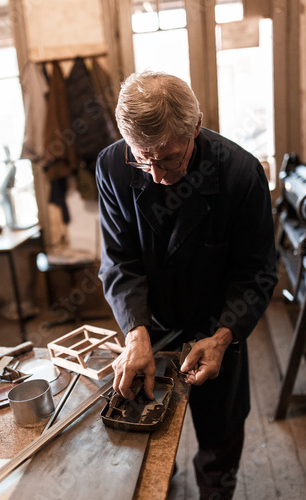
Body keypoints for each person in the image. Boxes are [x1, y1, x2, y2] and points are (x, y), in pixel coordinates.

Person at [96, 71, 277, 499]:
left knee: (219, 440)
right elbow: (120, 259)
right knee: (147, 433)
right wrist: (135, 331)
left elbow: (256, 273)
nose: (157, 175)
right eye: (144, 159)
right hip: (149, 322)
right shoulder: (112, 165)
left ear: (195, 127)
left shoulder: (241, 173)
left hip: (218, 326)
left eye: (171, 158)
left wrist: (222, 336)